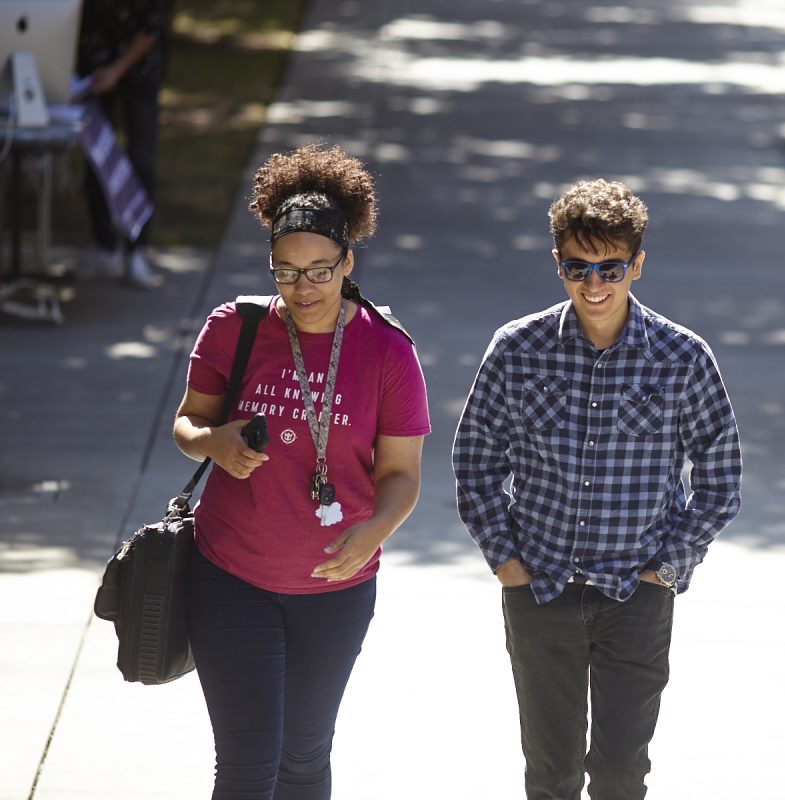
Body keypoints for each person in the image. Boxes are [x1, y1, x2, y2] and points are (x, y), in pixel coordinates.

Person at [452, 178, 742, 799]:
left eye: (611, 267)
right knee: (550, 775)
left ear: (637, 264)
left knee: (620, 773)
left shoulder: (682, 356)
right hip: (540, 591)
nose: (594, 285)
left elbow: (719, 481)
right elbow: (475, 461)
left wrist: (665, 570)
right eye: (577, 267)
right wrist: (507, 564)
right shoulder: (516, 349)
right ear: (557, 263)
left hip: (636, 597)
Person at [174, 144, 430, 799]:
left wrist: (374, 530)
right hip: (230, 573)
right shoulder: (234, 328)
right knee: (248, 764)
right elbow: (186, 425)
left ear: (348, 262)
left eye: (320, 270)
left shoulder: (388, 350)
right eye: (286, 272)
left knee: (304, 758)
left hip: (335, 589)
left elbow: (401, 474)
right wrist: (216, 442)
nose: (303, 289)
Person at [75, 0, 170, 288]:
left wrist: (117, 71)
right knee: (97, 156)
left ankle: (137, 249)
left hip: (142, 70)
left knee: (141, 158)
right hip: (95, 65)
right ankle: (105, 246)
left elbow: (151, 27)